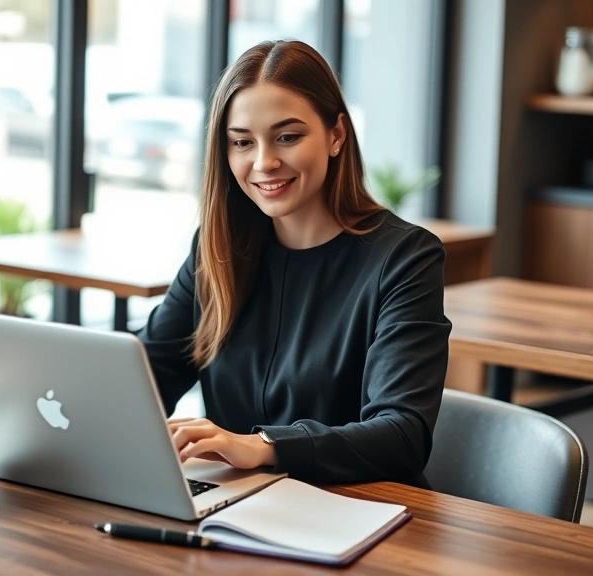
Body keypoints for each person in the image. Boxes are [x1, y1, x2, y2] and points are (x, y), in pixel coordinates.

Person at [137, 40, 451, 487]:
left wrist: (264, 446)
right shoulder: (218, 250)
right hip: (237, 509)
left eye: (287, 136)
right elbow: (146, 377)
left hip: (356, 513)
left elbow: (402, 435)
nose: (264, 162)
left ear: (336, 135)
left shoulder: (404, 258)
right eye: (242, 142)